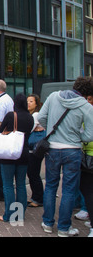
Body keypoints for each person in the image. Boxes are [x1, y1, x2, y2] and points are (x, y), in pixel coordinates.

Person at [38, 76, 93, 237]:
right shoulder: (86, 106)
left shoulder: (54, 96)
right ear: (87, 93)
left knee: (50, 186)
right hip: (73, 150)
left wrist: (51, 131)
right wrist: (77, 137)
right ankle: (63, 228)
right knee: (68, 189)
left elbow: (41, 117)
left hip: (53, 149)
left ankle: (47, 223)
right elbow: (90, 134)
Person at [0, 93, 34, 223]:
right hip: (24, 153)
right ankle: (20, 214)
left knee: (8, 185)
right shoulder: (30, 117)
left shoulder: (11, 115)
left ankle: (9, 215)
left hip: (9, 153)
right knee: (21, 184)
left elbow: (1, 130)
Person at [26, 94, 45, 207]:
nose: (28, 103)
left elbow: (29, 129)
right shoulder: (31, 115)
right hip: (34, 148)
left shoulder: (36, 115)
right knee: (32, 173)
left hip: (35, 149)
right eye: (27, 101)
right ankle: (35, 197)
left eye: (31, 101)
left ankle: (38, 198)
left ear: (36, 104)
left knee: (33, 173)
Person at [79, 94, 93, 237]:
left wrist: (81, 139)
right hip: (87, 155)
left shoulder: (88, 114)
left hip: (89, 156)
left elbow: (87, 136)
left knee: (88, 189)